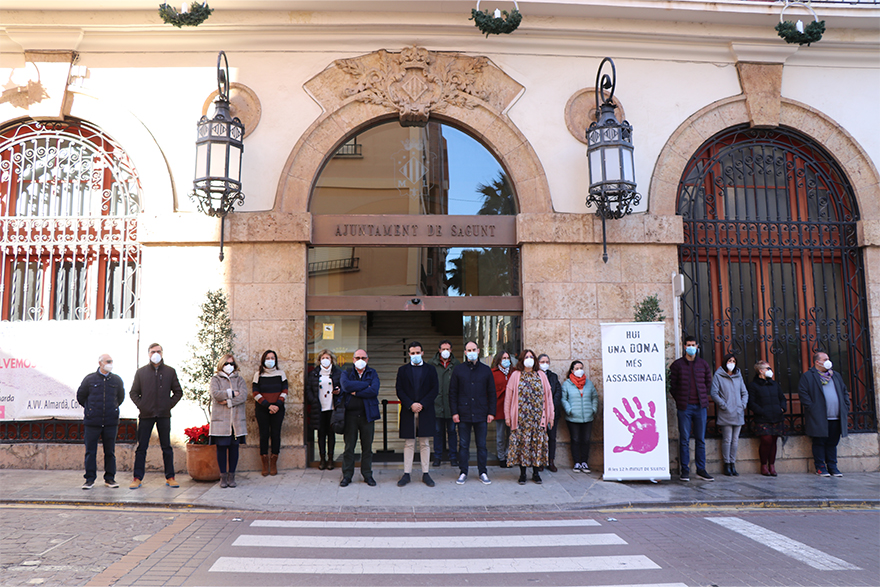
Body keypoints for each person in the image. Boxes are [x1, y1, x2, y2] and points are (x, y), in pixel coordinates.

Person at [129, 343, 183, 489]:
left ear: (162, 353)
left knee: (166, 447)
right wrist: (143, 405)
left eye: (158, 351)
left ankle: (170, 477)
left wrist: (168, 404)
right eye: (153, 351)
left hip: (164, 415)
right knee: (142, 448)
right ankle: (137, 478)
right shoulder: (141, 372)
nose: (156, 353)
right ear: (148, 354)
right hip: (146, 415)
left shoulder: (170, 372)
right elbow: (133, 393)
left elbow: (178, 392)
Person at [668, 336, 715, 482]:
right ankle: (685, 470)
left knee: (700, 439)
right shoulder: (677, 365)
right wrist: (680, 399)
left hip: (700, 407)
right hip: (685, 407)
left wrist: (702, 396)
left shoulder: (703, 364)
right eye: (688, 345)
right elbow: (672, 385)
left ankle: (701, 469)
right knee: (684, 439)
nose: (691, 347)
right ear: (684, 347)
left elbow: (708, 382)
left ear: (697, 346)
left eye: (693, 345)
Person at [505, 349, 554, 485]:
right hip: (521, 419)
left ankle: (536, 473)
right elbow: (508, 398)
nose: (529, 359)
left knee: (536, 446)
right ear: (521, 360)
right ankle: (522, 474)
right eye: (526, 357)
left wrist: (551, 416)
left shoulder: (541, 375)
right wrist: (508, 417)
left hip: (538, 419)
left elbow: (549, 397)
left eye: (531, 357)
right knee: (523, 446)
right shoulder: (515, 375)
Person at [449, 340, 496, 485]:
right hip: (463, 413)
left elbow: (491, 393)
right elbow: (453, 393)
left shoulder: (486, 370)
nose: (471, 352)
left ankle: (483, 472)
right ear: (464, 352)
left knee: (481, 445)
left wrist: (491, 412)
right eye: (468, 350)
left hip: (481, 413)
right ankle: (463, 472)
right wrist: (454, 412)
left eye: (473, 349)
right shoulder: (458, 370)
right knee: (463, 445)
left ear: (479, 350)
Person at [77, 354, 125, 489]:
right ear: (100, 363)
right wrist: (90, 409)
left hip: (110, 421)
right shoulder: (90, 379)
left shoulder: (116, 380)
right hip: (93, 421)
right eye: (107, 361)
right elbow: (81, 396)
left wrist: (113, 409)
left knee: (110, 452)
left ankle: (110, 479)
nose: (110, 363)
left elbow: (120, 397)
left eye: (111, 361)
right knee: (90, 451)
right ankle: (89, 479)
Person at [798, 351, 850, 477]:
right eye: (825, 358)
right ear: (817, 362)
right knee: (819, 442)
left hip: (835, 417)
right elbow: (803, 394)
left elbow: (844, 391)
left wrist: (845, 405)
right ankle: (820, 467)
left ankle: (833, 466)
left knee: (833, 443)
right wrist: (813, 408)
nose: (828, 361)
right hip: (819, 417)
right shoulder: (808, 376)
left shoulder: (835, 375)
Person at [396, 341, 439, 487]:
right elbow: (399, 390)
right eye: (412, 353)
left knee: (425, 443)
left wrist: (422, 404)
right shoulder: (402, 370)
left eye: (417, 352)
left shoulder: (431, 369)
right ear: (409, 354)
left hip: (425, 411)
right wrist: (411, 404)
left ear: (422, 353)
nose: (415, 355)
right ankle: (406, 473)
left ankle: (426, 473)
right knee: (409, 443)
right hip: (408, 411)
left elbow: (434, 389)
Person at [339, 348, 380, 487]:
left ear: (367, 360)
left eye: (363, 358)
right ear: (353, 359)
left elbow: (374, 390)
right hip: (350, 416)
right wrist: (365, 385)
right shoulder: (347, 372)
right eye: (358, 358)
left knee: (367, 447)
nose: (360, 360)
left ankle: (367, 475)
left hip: (367, 415)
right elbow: (346, 385)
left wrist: (355, 392)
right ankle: (347, 475)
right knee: (349, 447)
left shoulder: (372, 372)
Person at [209, 353, 248, 488]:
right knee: (221, 448)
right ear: (221, 365)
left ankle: (232, 476)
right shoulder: (215, 379)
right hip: (221, 421)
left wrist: (228, 402)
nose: (229, 366)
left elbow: (243, 396)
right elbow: (216, 394)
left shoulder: (240, 379)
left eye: (231, 364)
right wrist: (232, 393)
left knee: (234, 449)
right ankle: (223, 476)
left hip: (235, 422)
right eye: (226, 364)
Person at [710, 353, 749, 476]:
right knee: (727, 439)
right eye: (729, 361)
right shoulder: (719, 375)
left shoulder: (738, 375)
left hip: (738, 412)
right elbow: (714, 393)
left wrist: (742, 405)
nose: (731, 363)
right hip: (726, 413)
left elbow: (744, 392)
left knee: (735, 440)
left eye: (733, 361)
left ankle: (733, 463)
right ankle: (726, 464)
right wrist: (723, 405)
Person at [747, 360, 786, 477]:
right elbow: (751, 402)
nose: (770, 371)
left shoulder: (774, 384)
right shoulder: (753, 385)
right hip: (763, 418)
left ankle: (772, 465)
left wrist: (782, 408)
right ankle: (764, 464)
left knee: (774, 440)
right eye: (767, 368)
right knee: (766, 440)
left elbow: (782, 398)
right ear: (761, 371)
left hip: (776, 416)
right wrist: (762, 411)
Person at [305, 349, 342, 470]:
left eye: (328, 358)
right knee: (321, 435)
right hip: (319, 408)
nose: (325, 360)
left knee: (331, 434)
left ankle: (331, 459)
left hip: (332, 408)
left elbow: (343, 387)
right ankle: (322, 459)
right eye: (323, 358)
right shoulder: (314, 373)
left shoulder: (338, 373)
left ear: (332, 360)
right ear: (319, 360)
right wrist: (313, 400)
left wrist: (338, 391)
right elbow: (309, 388)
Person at [253, 349, 288, 476]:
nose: (270, 360)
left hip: (278, 409)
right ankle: (264, 463)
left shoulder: (281, 373)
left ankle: (273, 462)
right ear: (263, 360)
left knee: (276, 434)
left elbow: (285, 390)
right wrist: (268, 405)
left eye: (272, 358)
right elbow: (255, 393)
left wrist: (277, 404)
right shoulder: (258, 375)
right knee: (263, 435)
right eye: (268, 358)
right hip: (262, 409)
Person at [560, 359, 598, 473]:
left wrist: (593, 409)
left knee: (586, 440)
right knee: (575, 439)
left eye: (581, 368)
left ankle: (584, 462)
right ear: (572, 370)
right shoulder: (567, 384)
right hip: (573, 417)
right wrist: (569, 410)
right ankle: (577, 462)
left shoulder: (589, 383)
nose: (579, 370)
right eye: (577, 369)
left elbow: (594, 397)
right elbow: (564, 398)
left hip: (587, 416)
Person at [431, 340, 460, 469]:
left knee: (452, 431)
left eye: (448, 349)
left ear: (451, 350)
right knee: (437, 432)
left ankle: (453, 457)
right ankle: (437, 456)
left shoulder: (456, 364)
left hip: (452, 405)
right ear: (439, 350)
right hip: (436, 404)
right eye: (443, 349)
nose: (445, 351)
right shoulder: (432, 364)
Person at [538, 353, 563, 472]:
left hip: (553, 412)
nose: (545, 364)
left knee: (551, 437)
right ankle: (541, 461)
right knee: (541, 438)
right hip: (539, 413)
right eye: (542, 362)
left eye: (547, 361)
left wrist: (551, 405)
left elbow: (558, 392)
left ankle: (550, 460)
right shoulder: (535, 376)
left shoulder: (553, 376)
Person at [490, 350, 513, 468]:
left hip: (512, 409)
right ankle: (501, 457)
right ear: (499, 360)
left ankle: (509, 456)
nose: (506, 360)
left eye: (507, 358)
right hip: (499, 407)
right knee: (500, 435)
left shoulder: (513, 373)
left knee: (511, 435)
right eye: (504, 358)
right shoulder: (493, 373)